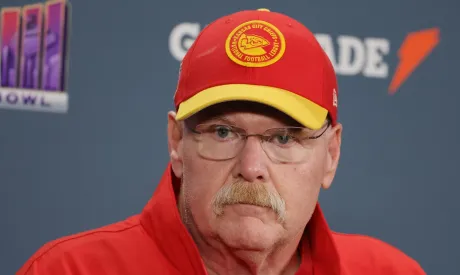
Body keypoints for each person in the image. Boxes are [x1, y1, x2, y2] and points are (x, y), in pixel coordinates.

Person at [17, 9, 426, 275]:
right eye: (223, 132)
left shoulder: (392, 272)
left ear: (331, 155)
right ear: (177, 142)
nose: (251, 166)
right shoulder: (69, 270)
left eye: (283, 137)